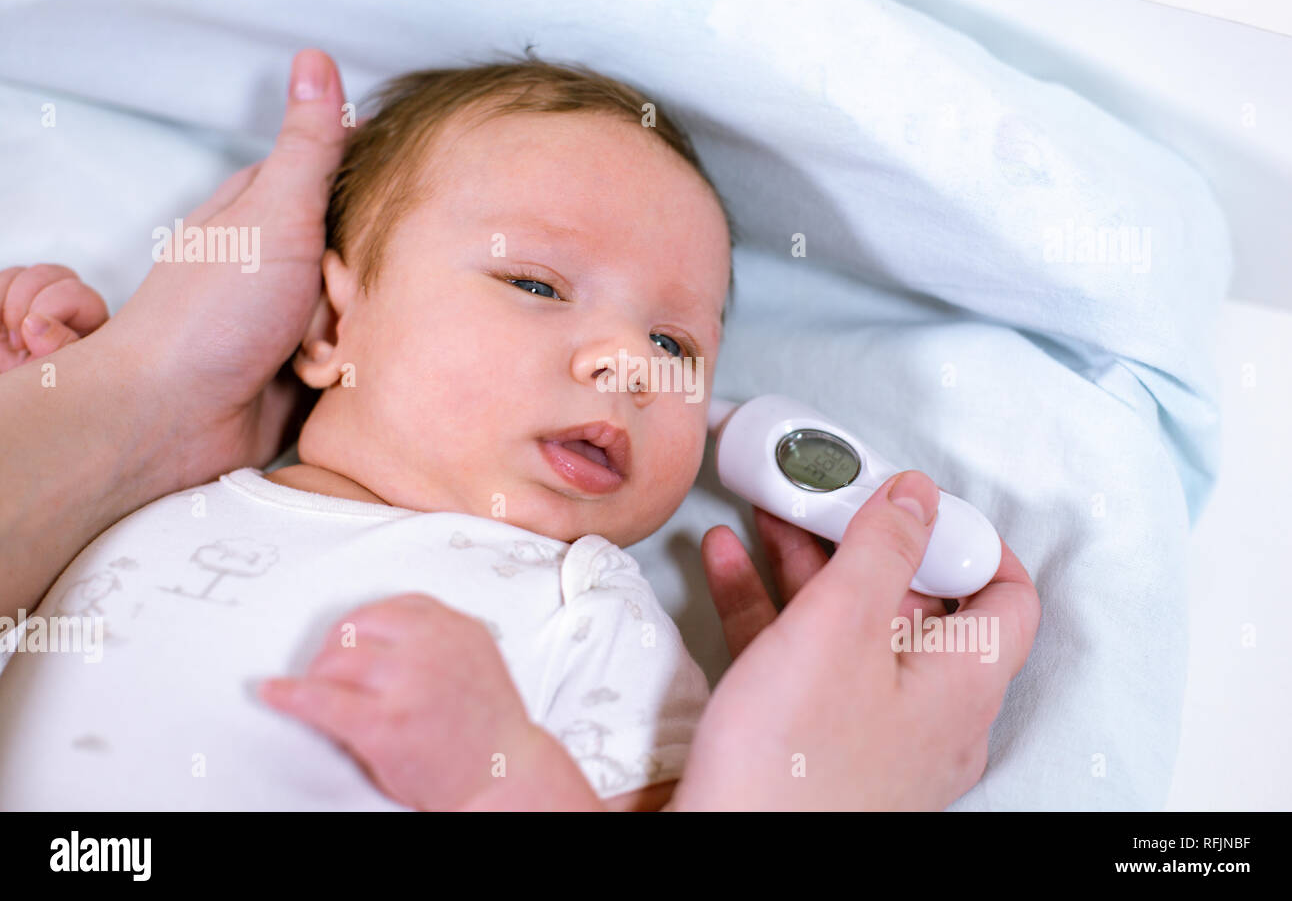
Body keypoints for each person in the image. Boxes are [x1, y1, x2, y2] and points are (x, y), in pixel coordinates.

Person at [0, 50, 1040, 811]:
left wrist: (499, 770)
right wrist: (67, 400)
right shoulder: (149, 491)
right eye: (535, 282)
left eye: (675, 346)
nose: (624, 362)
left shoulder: (586, 608)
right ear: (327, 323)